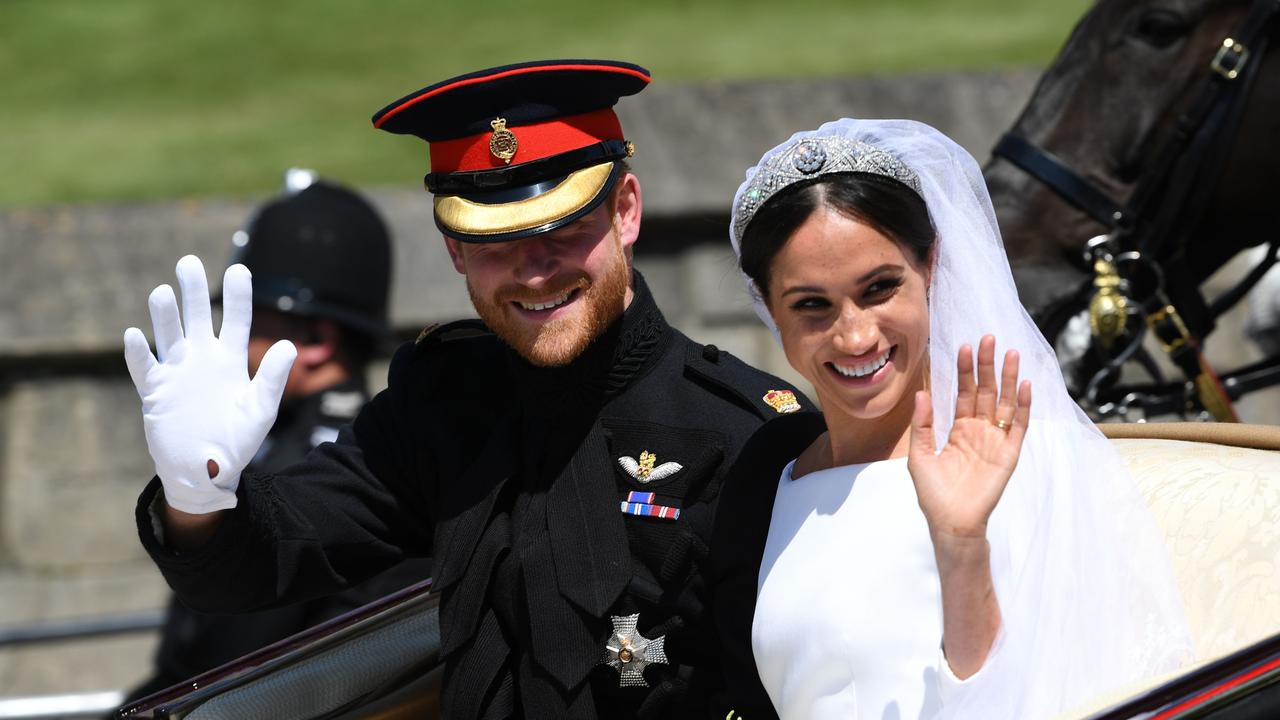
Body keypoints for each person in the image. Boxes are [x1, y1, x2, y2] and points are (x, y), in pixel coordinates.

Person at [121, 60, 813, 719]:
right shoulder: (442, 407)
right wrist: (199, 494)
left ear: (625, 211)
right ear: (454, 249)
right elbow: (262, 567)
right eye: (493, 244)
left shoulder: (745, 432)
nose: (533, 271)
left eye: (563, 231)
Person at [708, 119, 1192, 719]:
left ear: (931, 265)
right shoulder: (769, 480)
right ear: (767, 304)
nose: (856, 334)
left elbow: (1072, 696)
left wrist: (961, 544)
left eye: (880, 288)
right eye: (813, 305)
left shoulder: (1026, 460)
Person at [121, 172, 432, 703]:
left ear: (314, 339)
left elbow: (224, 665)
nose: (235, 348)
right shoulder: (284, 445)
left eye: (251, 325)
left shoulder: (328, 467)